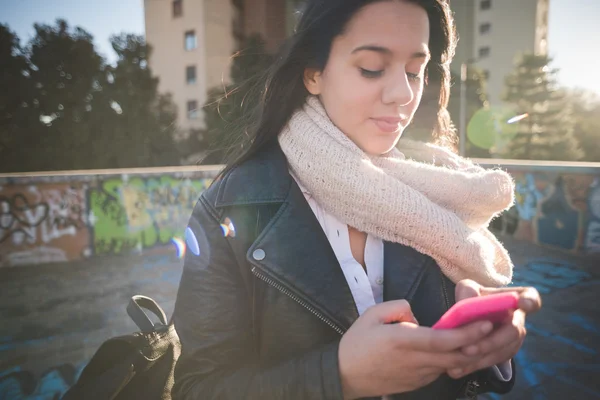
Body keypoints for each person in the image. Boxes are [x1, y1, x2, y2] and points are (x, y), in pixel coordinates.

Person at [171, 0, 542, 399]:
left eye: (415, 71)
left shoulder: (440, 186)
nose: (403, 93)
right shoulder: (230, 205)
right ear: (313, 73)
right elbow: (197, 388)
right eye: (372, 68)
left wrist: (485, 348)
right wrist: (338, 376)